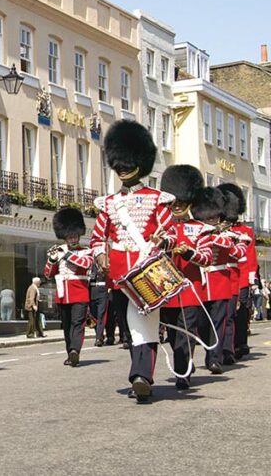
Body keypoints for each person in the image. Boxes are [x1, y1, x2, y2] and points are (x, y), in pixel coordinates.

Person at [89, 119, 174, 404]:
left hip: (146, 271)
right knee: (128, 329)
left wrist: (162, 240)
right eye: (119, 163)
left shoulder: (157, 199)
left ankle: (142, 376)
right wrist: (100, 255)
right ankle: (140, 373)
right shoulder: (108, 203)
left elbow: (170, 233)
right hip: (117, 274)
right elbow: (98, 236)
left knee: (145, 326)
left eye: (127, 161)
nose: (123, 167)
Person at [159, 167, 216, 390]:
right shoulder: (163, 228)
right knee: (173, 335)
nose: (178, 206)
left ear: (190, 202)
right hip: (168, 289)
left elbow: (207, 258)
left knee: (187, 333)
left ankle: (182, 372)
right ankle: (184, 362)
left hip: (190, 289)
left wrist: (189, 253)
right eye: (175, 202)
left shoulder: (201, 229)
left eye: (182, 202)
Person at [199, 189, 245, 373]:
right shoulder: (198, 233)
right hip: (201, 284)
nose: (211, 220)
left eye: (214, 217)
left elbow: (238, 253)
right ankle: (209, 351)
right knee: (202, 325)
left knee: (219, 323)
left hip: (219, 283)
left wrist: (218, 239)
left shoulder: (232, 237)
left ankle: (214, 359)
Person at [44, 208, 94, 367]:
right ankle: (69, 353)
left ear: (79, 235)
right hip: (63, 293)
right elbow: (47, 274)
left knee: (77, 323)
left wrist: (66, 255)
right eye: (69, 236)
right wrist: (52, 260)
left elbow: (85, 265)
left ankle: (75, 351)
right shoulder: (58, 251)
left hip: (79, 292)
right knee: (66, 325)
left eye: (74, 235)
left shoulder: (86, 251)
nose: (72, 238)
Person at [219, 183, 257, 361]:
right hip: (222, 277)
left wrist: (250, 280)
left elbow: (249, 258)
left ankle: (239, 343)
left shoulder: (245, 230)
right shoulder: (218, 229)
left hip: (240, 277)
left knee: (240, 313)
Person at [88, 261, 110, 347]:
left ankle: (98, 338)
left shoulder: (105, 265)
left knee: (101, 315)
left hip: (103, 293)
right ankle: (99, 333)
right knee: (93, 317)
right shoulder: (90, 265)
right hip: (92, 293)